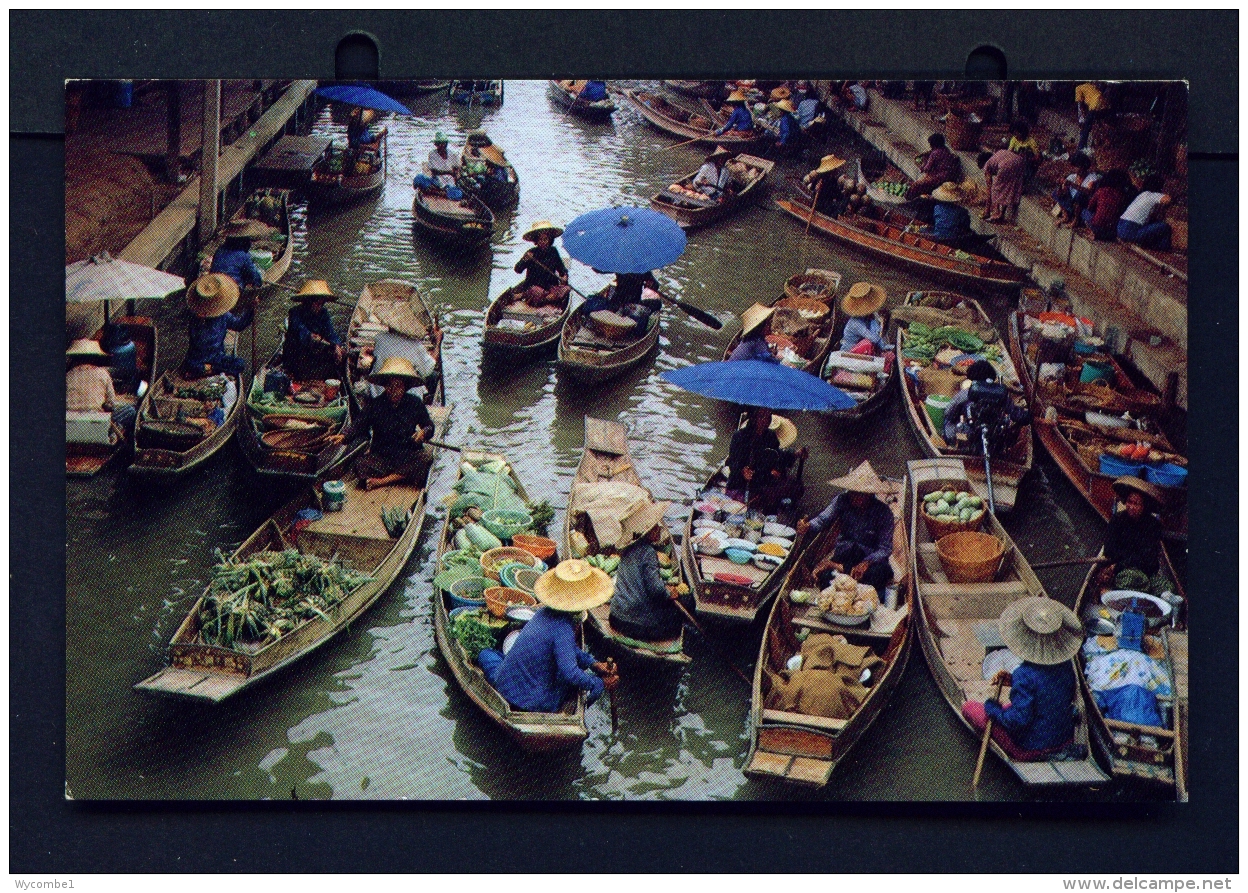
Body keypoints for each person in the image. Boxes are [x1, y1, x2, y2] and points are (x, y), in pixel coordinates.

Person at [477, 559, 619, 713]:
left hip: (504, 682)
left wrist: (593, 664)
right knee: (567, 681)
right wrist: (599, 683)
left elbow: (569, 649)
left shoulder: (542, 613)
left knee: (486, 654)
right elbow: (570, 673)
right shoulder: (563, 628)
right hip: (531, 702)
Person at [962, 597, 1084, 761]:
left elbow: (1018, 721)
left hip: (1032, 746)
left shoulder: (1024, 674)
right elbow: (1048, 688)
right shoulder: (1066, 664)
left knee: (970, 707)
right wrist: (1013, 681)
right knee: (1016, 707)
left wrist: (992, 708)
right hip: (1064, 736)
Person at [328, 356, 435, 491]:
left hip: (407, 453)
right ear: (385, 386)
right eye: (390, 385)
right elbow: (359, 424)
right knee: (360, 465)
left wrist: (423, 432)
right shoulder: (376, 404)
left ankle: (383, 481)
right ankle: (401, 476)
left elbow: (429, 425)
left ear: (405, 387)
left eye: (398, 386)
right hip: (382, 456)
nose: (394, 390)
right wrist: (344, 436)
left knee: (425, 458)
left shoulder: (414, 403)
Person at [796, 461, 895, 597]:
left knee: (879, 574)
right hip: (846, 554)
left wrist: (867, 562)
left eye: (858, 494)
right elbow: (822, 520)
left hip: (870, 560)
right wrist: (808, 526)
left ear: (869, 495)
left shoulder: (884, 513)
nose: (853, 496)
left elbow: (885, 549)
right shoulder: (842, 500)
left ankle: (838, 569)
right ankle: (841, 570)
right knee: (824, 578)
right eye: (851, 492)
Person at [607, 501, 687, 643]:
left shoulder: (628, 548)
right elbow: (656, 590)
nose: (659, 529)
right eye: (655, 527)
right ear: (647, 531)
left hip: (615, 617)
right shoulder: (648, 553)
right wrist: (670, 593)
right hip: (631, 624)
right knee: (676, 618)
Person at [941, 359, 1029, 454]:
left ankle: (953, 447)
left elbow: (949, 412)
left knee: (948, 421)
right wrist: (1029, 416)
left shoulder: (968, 393)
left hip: (971, 437)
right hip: (994, 440)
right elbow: (1017, 415)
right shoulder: (1000, 394)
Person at [725, 407, 806, 508]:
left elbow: (778, 454)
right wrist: (742, 470)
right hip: (741, 483)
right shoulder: (739, 436)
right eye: (762, 416)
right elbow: (733, 462)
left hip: (762, 480)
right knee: (747, 501)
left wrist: (795, 453)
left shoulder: (770, 436)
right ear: (753, 418)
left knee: (797, 487)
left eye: (768, 417)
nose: (766, 420)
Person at [182, 273, 256, 378]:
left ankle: (209, 369)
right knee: (194, 366)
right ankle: (209, 369)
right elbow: (200, 343)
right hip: (198, 359)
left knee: (240, 364)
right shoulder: (196, 319)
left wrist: (251, 310)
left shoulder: (223, 316)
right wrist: (201, 321)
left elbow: (239, 325)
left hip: (217, 357)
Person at [1099, 477, 1165, 582]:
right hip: (1117, 562)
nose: (1131, 507)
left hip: (1143, 567)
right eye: (1130, 502)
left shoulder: (1153, 525)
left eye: (1136, 504)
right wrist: (1118, 564)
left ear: (1144, 506)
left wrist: (1122, 564)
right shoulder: (1117, 519)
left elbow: (1148, 556)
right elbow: (1109, 549)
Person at [65, 339, 136, 432]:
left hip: (71, 423)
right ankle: (116, 433)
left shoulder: (68, 375)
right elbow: (111, 403)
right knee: (130, 410)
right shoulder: (103, 373)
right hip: (95, 423)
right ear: (95, 358)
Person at [281, 279, 345, 381]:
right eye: (317, 303)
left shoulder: (323, 313)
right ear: (309, 302)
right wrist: (313, 337)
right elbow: (302, 332)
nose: (319, 307)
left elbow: (331, 332)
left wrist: (336, 345)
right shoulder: (295, 312)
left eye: (321, 304)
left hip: (315, 351)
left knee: (339, 358)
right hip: (296, 353)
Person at [509, 221, 570, 308]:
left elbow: (561, 268)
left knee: (566, 289)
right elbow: (517, 270)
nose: (543, 242)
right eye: (540, 240)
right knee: (536, 292)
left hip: (550, 287)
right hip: (535, 287)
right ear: (536, 241)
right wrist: (524, 260)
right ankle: (534, 297)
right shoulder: (531, 253)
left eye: (545, 239)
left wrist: (564, 276)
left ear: (549, 240)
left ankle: (526, 296)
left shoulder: (553, 251)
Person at [1117, 174, 1173, 251]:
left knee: (1154, 224)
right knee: (1165, 226)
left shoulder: (1142, 194)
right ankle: (1163, 249)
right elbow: (1168, 199)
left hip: (1120, 227)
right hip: (1130, 231)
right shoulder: (1154, 195)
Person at [978, 146, 1028, 224]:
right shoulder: (998, 153)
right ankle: (1002, 214)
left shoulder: (987, 164)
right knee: (1009, 188)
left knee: (996, 189)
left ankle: (996, 214)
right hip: (1020, 162)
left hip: (1006, 165)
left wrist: (987, 210)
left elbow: (989, 188)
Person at [209, 226, 265, 294]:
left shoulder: (219, 250)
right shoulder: (243, 255)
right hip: (232, 287)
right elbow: (253, 275)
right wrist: (259, 282)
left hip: (214, 282)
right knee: (248, 273)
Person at [838, 282, 889, 354]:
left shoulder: (870, 316)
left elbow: (876, 330)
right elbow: (873, 339)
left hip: (863, 348)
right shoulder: (855, 323)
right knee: (868, 342)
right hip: (849, 352)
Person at [1081, 168, 1132, 241]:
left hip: (1096, 226)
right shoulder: (1122, 195)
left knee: (1084, 212)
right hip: (1112, 229)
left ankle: (1092, 231)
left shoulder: (1101, 191)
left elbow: (1090, 207)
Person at [1051, 152, 1100, 228]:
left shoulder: (1092, 177)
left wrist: (1072, 184)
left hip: (1083, 206)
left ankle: (1075, 221)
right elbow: (1063, 193)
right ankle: (1065, 216)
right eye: (1074, 167)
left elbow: (1089, 191)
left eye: (1078, 167)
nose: (1076, 169)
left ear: (1083, 167)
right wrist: (1060, 185)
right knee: (1056, 193)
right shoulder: (1072, 177)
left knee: (1080, 195)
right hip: (1071, 204)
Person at [906, 133, 961, 200]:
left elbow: (926, 169)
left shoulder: (935, 154)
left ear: (933, 144)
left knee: (916, 185)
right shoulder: (946, 149)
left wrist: (920, 165)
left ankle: (909, 199)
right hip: (948, 175)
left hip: (940, 177)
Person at [1074, 81, 1107, 152]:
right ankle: (1098, 145)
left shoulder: (1078, 88)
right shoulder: (1090, 85)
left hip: (1095, 105)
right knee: (1098, 126)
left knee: (1085, 128)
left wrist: (1082, 119)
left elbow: (1080, 106)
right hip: (1104, 105)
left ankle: (1081, 148)